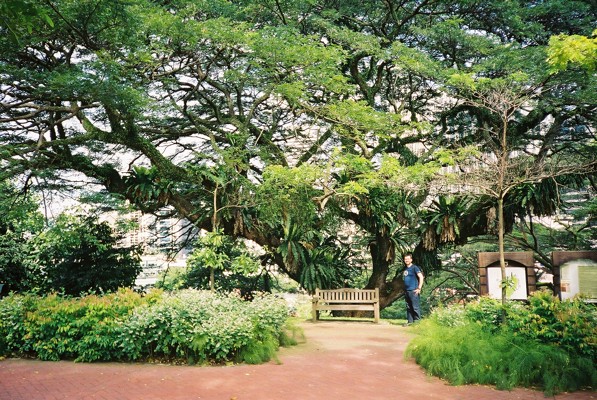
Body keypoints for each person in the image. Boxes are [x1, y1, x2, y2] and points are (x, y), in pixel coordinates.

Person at [402, 253, 424, 325]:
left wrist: (419, 288)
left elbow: (421, 277)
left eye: (408, 259)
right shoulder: (406, 269)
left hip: (413, 290)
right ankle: (410, 322)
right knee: (409, 307)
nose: (407, 260)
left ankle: (417, 323)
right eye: (405, 259)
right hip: (407, 291)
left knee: (415, 307)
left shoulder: (415, 267)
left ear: (411, 260)